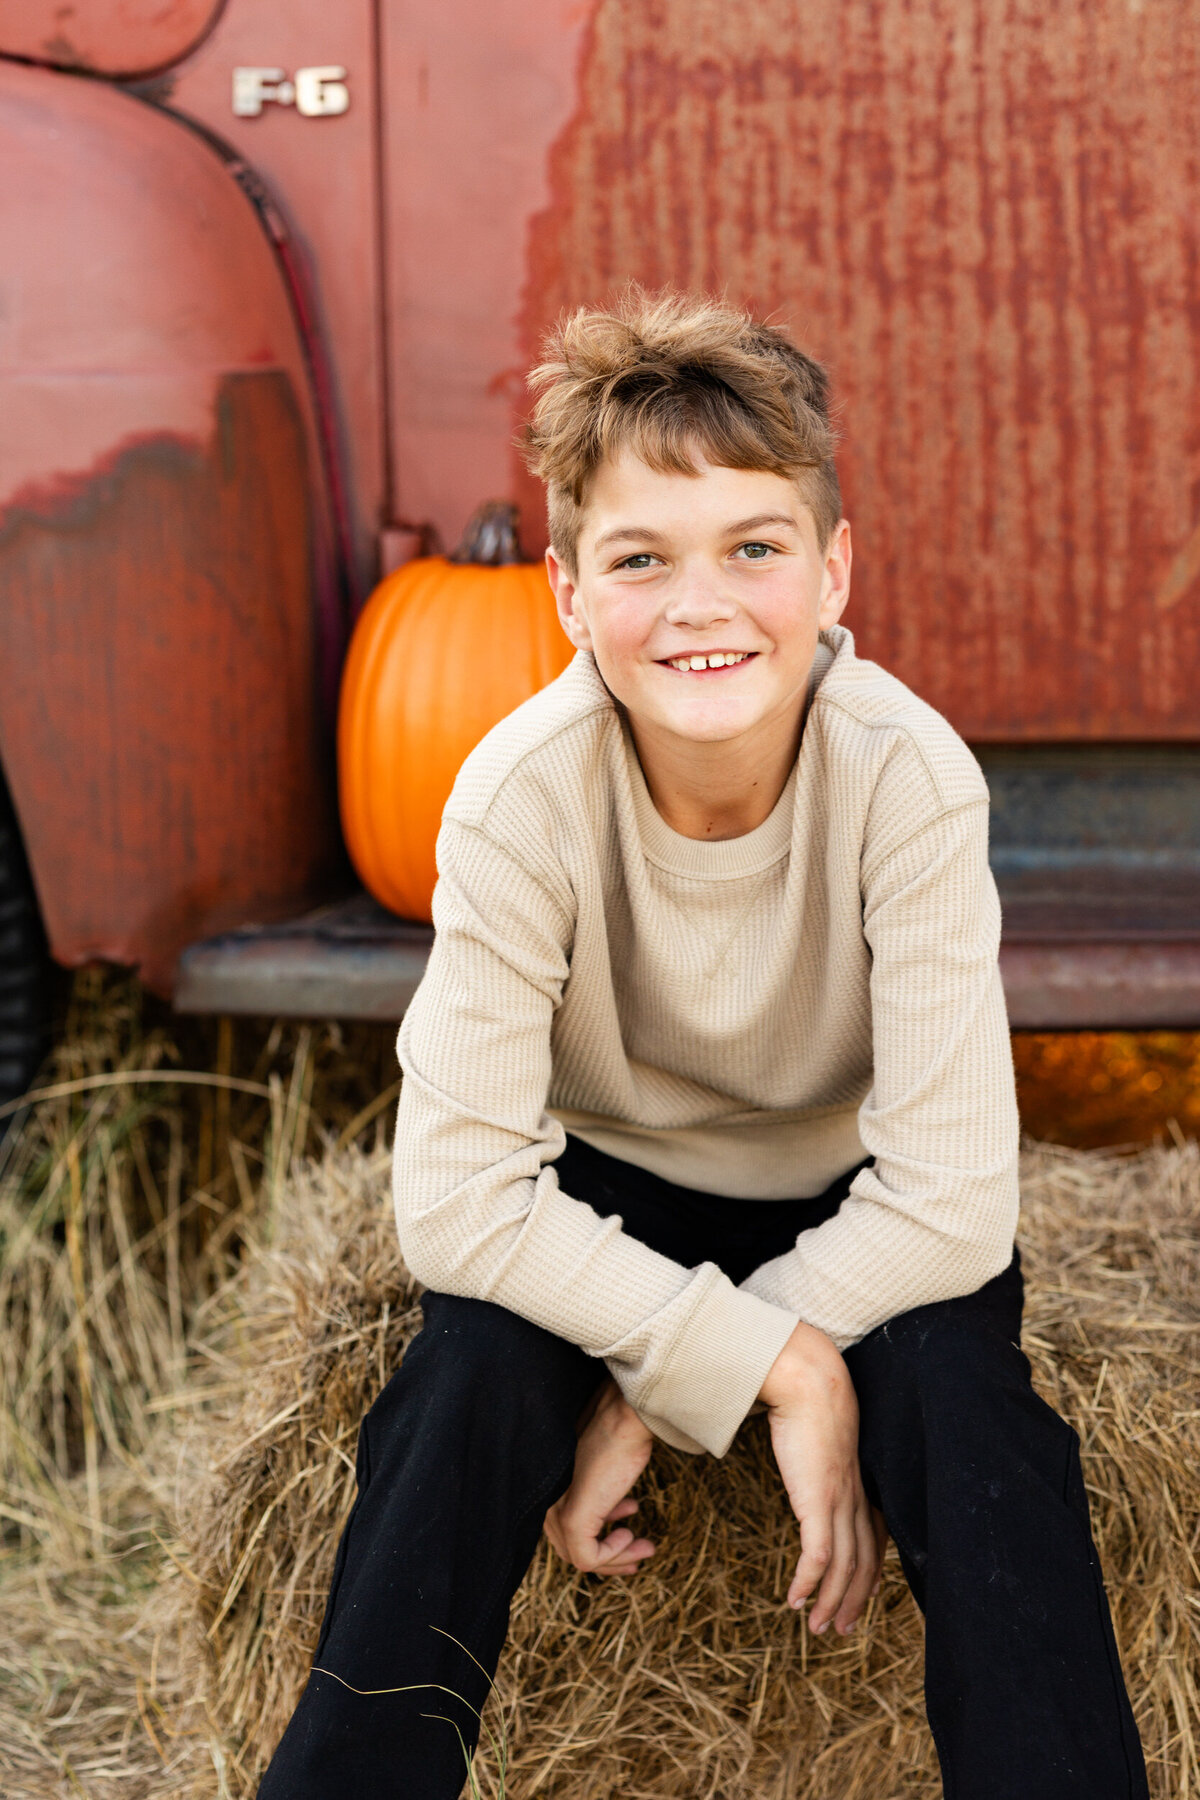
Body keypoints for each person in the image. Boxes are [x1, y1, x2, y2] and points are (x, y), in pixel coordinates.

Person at [259, 290, 1147, 1799]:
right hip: (606, 1195)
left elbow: (949, 1202)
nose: (702, 604)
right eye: (639, 560)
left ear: (834, 567)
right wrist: (774, 1371)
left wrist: (668, 1382)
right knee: (456, 1394)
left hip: (856, 1209)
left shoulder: (909, 779)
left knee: (979, 1425)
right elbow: (461, 1202)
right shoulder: (515, 795)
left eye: (754, 547)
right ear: (564, 590)